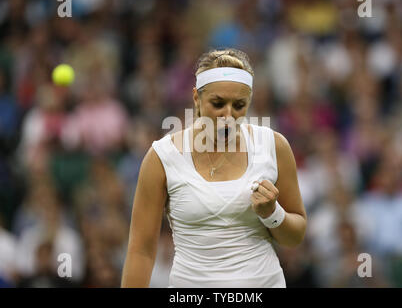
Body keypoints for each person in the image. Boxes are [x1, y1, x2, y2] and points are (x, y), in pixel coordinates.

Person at [121, 48, 307, 288]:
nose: (228, 115)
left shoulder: (274, 146)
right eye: (218, 103)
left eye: (239, 105)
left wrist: (272, 213)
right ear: (196, 98)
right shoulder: (161, 157)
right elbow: (141, 251)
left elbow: (296, 237)